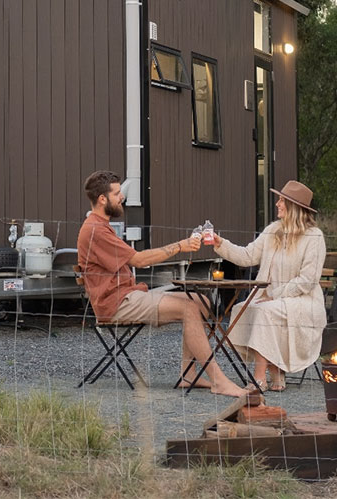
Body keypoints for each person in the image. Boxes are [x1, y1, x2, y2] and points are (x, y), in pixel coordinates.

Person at [77, 170, 247, 397]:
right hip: (116, 304)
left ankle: (189, 373)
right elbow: (139, 260)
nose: (122, 198)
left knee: (200, 301)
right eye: (117, 194)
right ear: (102, 199)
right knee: (188, 307)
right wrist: (180, 246)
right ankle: (219, 381)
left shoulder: (101, 225)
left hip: (127, 295)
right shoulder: (96, 229)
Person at [212, 180, 326, 392]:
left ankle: (259, 378)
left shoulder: (314, 237)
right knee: (243, 308)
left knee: (264, 312)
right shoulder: (273, 230)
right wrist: (220, 244)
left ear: (294, 207)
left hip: (303, 301)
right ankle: (276, 371)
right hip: (271, 299)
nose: (277, 204)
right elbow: (248, 255)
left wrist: (276, 295)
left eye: (282, 200)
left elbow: (308, 280)